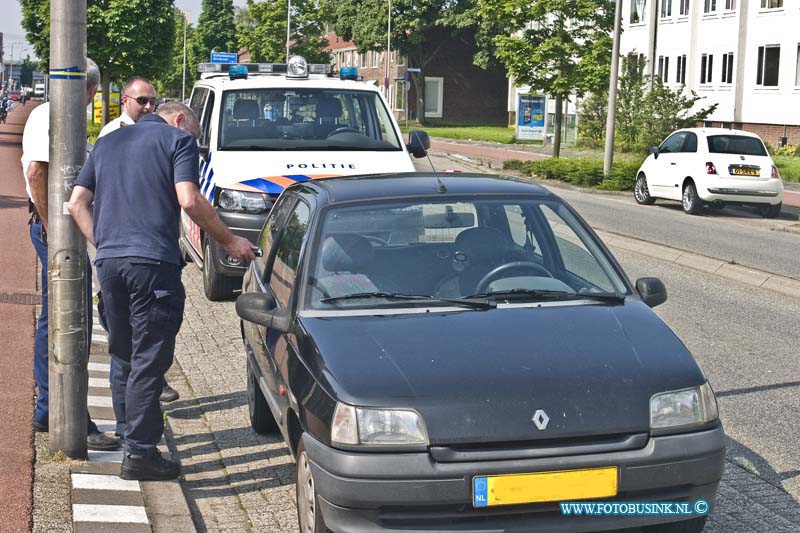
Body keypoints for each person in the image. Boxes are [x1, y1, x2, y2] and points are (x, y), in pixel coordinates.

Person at [68, 102, 255, 480]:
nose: (194, 145)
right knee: (149, 359)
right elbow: (189, 199)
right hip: (153, 265)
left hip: (110, 263)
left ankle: (127, 436)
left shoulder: (106, 143)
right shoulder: (177, 142)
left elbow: (76, 203)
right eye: (195, 137)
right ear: (181, 121)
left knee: (124, 354)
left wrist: (102, 244)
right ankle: (139, 454)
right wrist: (229, 240)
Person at [20, 58, 120, 451]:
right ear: (91, 90)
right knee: (70, 314)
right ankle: (67, 412)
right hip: (58, 231)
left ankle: (53, 408)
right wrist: (51, 226)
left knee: (60, 313)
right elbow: (36, 173)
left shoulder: (53, 114)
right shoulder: (55, 116)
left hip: (58, 228)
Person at [95, 76, 179, 403]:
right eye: (141, 100)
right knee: (126, 343)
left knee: (146, 332)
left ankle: (148, 390)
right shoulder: (112, 136)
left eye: (151, 101)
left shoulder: (157, 136)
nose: (147, 107)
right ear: (125, 100)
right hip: (122, 247)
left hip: (139, 247)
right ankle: (133, 423)